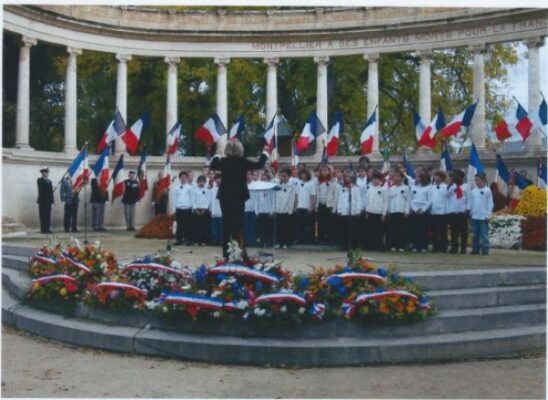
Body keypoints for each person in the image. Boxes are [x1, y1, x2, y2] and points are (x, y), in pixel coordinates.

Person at [210, 140, 269, 260]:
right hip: (239, 195)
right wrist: (265, 153)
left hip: (225, 196)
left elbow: (213, 165)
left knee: (226, 225)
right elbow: (259, 165)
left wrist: (216, 154)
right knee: (238, 225)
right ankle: (241, 252)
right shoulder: (243, 161)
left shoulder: (223, 161)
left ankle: (227, 254)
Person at [468, 172, 494, 255]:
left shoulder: (487, 190)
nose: (476, 182)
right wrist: (470, 211)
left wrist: (488, 215)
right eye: (475, 180)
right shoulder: (474, 190)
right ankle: (475, 249)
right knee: (475, 234)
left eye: (478, 180)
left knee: (484, 234)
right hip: (475, 216)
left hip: (483, 217)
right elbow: (471, 202)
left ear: (483, 180)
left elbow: (490, 203)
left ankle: (485, 249)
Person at [335, 171, 361, 250]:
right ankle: (344, 245)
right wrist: (339, 209)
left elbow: (358, 200)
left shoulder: (356, 188)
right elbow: (339, 199)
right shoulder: (342, 188)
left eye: (349, 177)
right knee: (344, 229)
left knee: (353, 230)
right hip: (344, 212)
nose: (347, 179)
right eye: (346, 177)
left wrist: (357, 210)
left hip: (352, 212)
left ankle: (353, 245)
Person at [387, 171, 411, 252]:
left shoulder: (406, 188)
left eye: (398, 177)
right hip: (393, 211)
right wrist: (388, 211)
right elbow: (389, 201)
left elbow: (408, 201)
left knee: (402, 230)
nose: (396, 178)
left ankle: (401, 246)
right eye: (395, 177)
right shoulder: (391, 188)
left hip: (402, 211)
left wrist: (407, 211)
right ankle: (393, 245)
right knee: (393, 229)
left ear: (402, 178)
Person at [446, 170, 469, 254]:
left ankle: (463, 248)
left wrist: (468, 209)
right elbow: (447, 195)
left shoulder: (466, 186)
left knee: (463, 231)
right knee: (453, 231)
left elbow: (469, 198)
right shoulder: (452, 187)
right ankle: (454, 247)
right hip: (453, 212)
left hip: (462, 212)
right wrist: (452, 186)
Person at [365, 170, 387, 251]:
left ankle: (379, 246)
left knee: (379, 230)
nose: (375, 180)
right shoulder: (370, 188)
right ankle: (371, 246)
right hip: (371, 212)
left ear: (380, 180)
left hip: (379, 213)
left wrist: (384, 213)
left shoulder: (383, 189)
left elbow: (385, 202)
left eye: (377, 179)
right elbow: (367, 201)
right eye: (374, 179)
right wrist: (367, 211)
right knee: (370, 230)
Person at [315, 164, 337, 244]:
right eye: (322, 171)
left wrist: (334, 207)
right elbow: (316, 194)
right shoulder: (318, 182)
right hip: (320, 204)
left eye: (325, 170)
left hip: (329, 205)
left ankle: (329, 238)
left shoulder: (332, 182)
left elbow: (335, 195)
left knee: (329, 223)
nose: (323, 172)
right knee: (321, 223)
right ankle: (320, 238)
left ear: (329, 172)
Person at [274, 167, 296, 249]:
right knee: (278, 228)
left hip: (287, 210)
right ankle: (279, 242)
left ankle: (286, 242)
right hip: (279, 210)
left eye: (285, 176)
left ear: (289, 177)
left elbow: (292, 199)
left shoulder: (291, 186)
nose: (283, 177)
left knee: (286, 228)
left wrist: (291, 210)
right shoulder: (277, 186)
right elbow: (276, 197)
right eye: (281, 176)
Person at [410, 171, 431, 253]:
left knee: (423, 229)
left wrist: (423, 209)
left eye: (419, 177)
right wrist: (415, 209)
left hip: (423, 211)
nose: (417, 179)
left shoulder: (428, 188)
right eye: (417, 177)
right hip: (415, 210)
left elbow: (429, 200)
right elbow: (411, 200)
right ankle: (415, 245)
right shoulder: (413, 187)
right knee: (415, 229)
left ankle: (423, 246)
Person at [294, 168, 315, 244]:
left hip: (307, 207)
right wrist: (295, 206)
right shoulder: (298, 183)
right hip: (299, 206)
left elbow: (312, 196)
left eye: (304, 174)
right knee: (299, 224)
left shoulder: (311, 183)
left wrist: (311, 206)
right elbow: (296, 195)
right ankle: (300, 239)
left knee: (307, 225)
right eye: (301, 174)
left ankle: (308, 240)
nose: (303, 175)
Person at [430, 170, 448, 253]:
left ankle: (443, 247)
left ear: (441, 178)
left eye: (437, 176)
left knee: (443, 231)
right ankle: (435, 246)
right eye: (434, 176)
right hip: (434, 212)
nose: (435, 177)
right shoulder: (432, 187)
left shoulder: (446, 187)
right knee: (435, 231)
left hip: (442, 212)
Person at [173, 171, 193, 246]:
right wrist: (174, 209)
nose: (183, 179)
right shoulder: (176, 187)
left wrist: (192, 207)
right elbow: (174, 198)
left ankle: (188, 239)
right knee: (180, 225)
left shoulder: (190, 187)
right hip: (179, 209)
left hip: (187, 208)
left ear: (187, 178)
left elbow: (192, 198)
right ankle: (179, 240)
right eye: (182, 177)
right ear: (179, 178)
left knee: (188, 225)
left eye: (185, 177)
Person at [191, 175, 211, 246]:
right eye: (199, 182)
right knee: (196, 227)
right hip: (196, 210)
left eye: (202, 181)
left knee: (204, 227)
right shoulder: (194, 190)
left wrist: (204, 209)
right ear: (197, 182)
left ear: (205, 182)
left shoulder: (207, 190)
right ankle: (196, 241)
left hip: (204, 210)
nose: (201, 183)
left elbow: (208, 200)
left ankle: (204, 241)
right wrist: (196, 209)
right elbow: (193, 200)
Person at [37, 167, 54, 234]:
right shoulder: (39, 180)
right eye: (45, 172)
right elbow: (42, 190)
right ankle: (43, 229)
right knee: (42, 215)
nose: (46, 173)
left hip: (49, 201)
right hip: (42, 201)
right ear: (42, 173)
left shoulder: (49, 181)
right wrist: (50, 190)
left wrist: (52, 201)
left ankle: (47, 228)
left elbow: (51, 193)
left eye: (47, 172)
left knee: (48, 215)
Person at [243, 171, 257, 247]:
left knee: (251, 227)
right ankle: (243, 242)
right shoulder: (241, 185)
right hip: (243, 209)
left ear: (252, 176)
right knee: (243, 227)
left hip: (252, 210)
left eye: (249, 174)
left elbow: (257, 199)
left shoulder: (255, 185)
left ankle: (251, 241)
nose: (247, 176)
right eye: (246, 174)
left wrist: (256, 209)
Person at [209, 174, 223, 246]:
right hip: (214, 211)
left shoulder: (225, 189)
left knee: (222, 227)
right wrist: (210, 209)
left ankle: (221, 240)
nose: (218, 180)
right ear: (215, 180)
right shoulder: (212, 190)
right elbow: (210, 201)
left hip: (222, 211)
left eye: (220, 178)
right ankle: (215, 240)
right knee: (214, 227)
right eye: (217, 179)